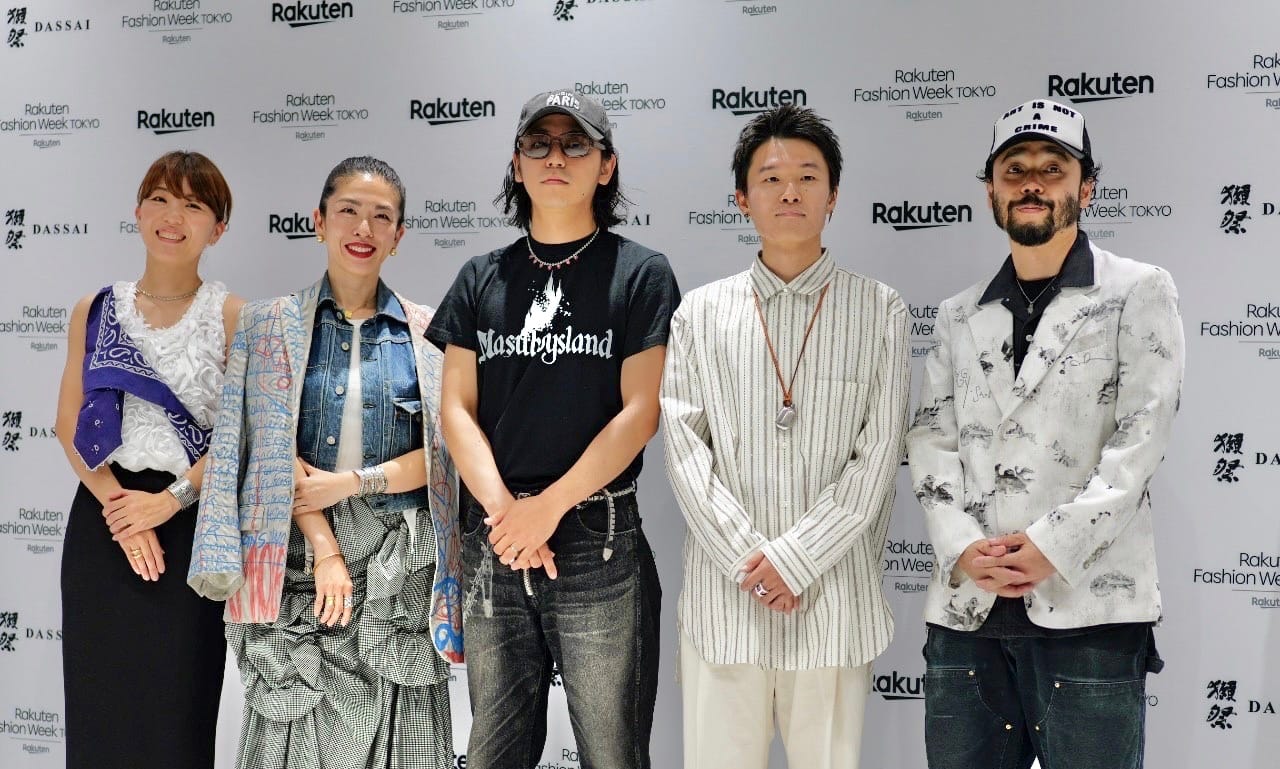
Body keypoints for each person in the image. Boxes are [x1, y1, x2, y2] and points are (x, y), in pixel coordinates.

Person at [906, 99, 1183, 769]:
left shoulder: (1138, 290)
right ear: (991, 191)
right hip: (967, 614)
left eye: (1052, 168)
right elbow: (931, 440)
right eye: (1015, 169)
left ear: (1086, 188)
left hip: (1089, 612)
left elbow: (1139, 441)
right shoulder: (956, 315)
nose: (1032, 183)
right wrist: (964, 548)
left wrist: (1051, 546)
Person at [426, 89, 679, 769]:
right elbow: (455, 410)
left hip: (598, 540)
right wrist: (509, 514)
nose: (555, 157)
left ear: (606, 165)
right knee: (492, 752)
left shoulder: (641, 272)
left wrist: (549, 507)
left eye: (576, 143)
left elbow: (641, 411)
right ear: (516, 165)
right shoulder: (480, 278)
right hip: (496, 540)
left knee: (611, 753)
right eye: (538, 144)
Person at [188, 156, 463, 769]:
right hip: (298, 568)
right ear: (319, 221)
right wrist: (324, 545)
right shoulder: (267, 324)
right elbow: (262, 447)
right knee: (292, 735)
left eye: (381, 217)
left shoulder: (430, 332)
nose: (363, 228)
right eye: (348, 211)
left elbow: (447, 457)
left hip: (400, 571)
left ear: (399, 235)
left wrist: (352, 484)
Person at [660, 105, 910, 769]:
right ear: (743, 199)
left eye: (808, 176)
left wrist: (795, 561)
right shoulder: (699, 313)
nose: (790, 191)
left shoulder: (880, 309)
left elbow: (877, 458)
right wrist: (754, 565)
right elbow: (685, 455)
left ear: (834, 196)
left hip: (832, 603)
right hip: (724, 606)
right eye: (771, 178)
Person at [55, 150, 241, 769]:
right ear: (137, 212)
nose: (172, 216)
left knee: (176, 710)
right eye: (159, 199)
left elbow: (241, 437)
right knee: (98, 707)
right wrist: (121, 511)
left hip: (189, 524)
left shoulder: (234, 315)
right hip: (104, 518)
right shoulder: (95, 309)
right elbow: (68, 423)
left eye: (193, 205)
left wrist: (167, 502)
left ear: (217, 228)